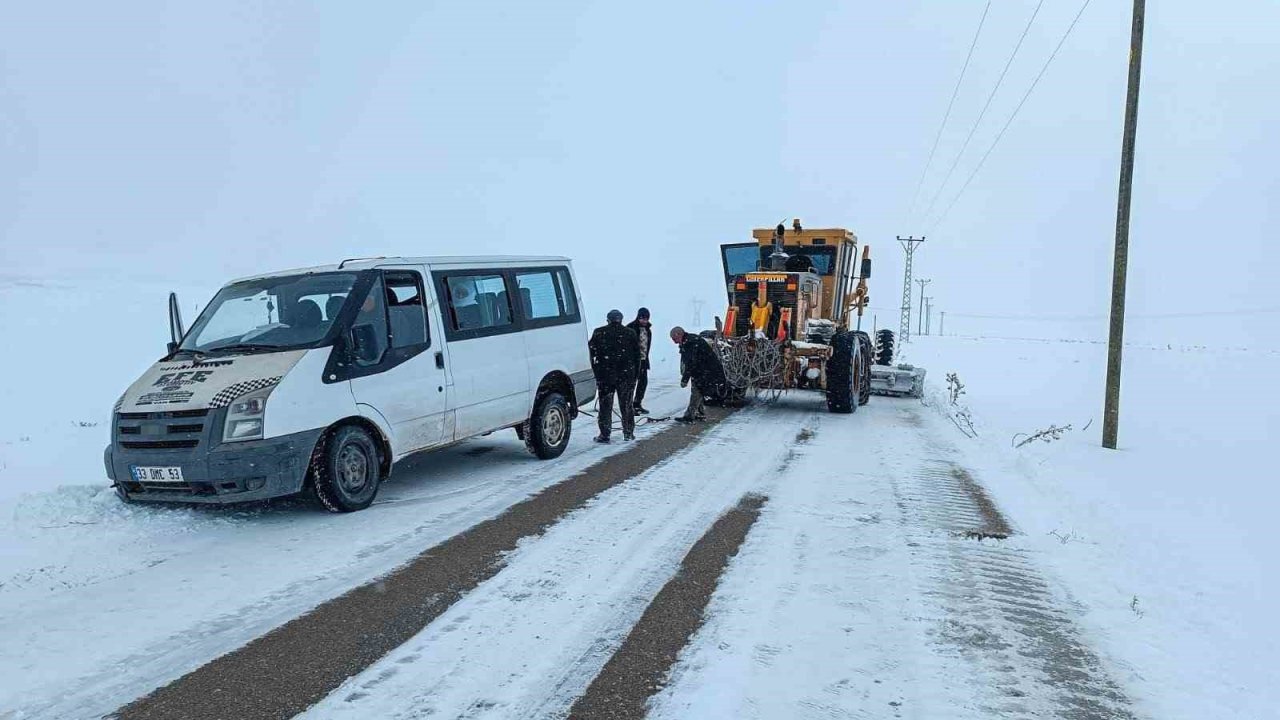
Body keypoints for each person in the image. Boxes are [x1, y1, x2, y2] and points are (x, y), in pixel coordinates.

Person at [588, 309, 641, 442]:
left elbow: (590, 353)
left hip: (605, 376)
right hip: (626, 375)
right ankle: (628, 432)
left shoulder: (599, 332)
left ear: (608, 320)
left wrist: (596, 370)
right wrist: (635, 375)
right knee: (627, 405)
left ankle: (605, 434)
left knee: (605, 406)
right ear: (621, 319)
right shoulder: (630, 333)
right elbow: (637, 357)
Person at [670, 326, 727, 422]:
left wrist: (685, 379)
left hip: (706, 370)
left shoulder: (691, 343)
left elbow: (691, 363)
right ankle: (699, 413)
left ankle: (689, 416)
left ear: (679, 334)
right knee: (699, 390)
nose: (674, 342)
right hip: (703, 370)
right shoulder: (689, 341)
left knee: (697, 391)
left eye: (675, 339)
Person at [626, 307, 653, 415]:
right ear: (638, 317)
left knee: (643, 383)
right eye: (642, 318)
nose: (644, 321)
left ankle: (637, 404)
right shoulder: (630, 328)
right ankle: (628, 406)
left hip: (643, 360)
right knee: (631, 384)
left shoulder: (648, 331)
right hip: (632, 362)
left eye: (646, 318)